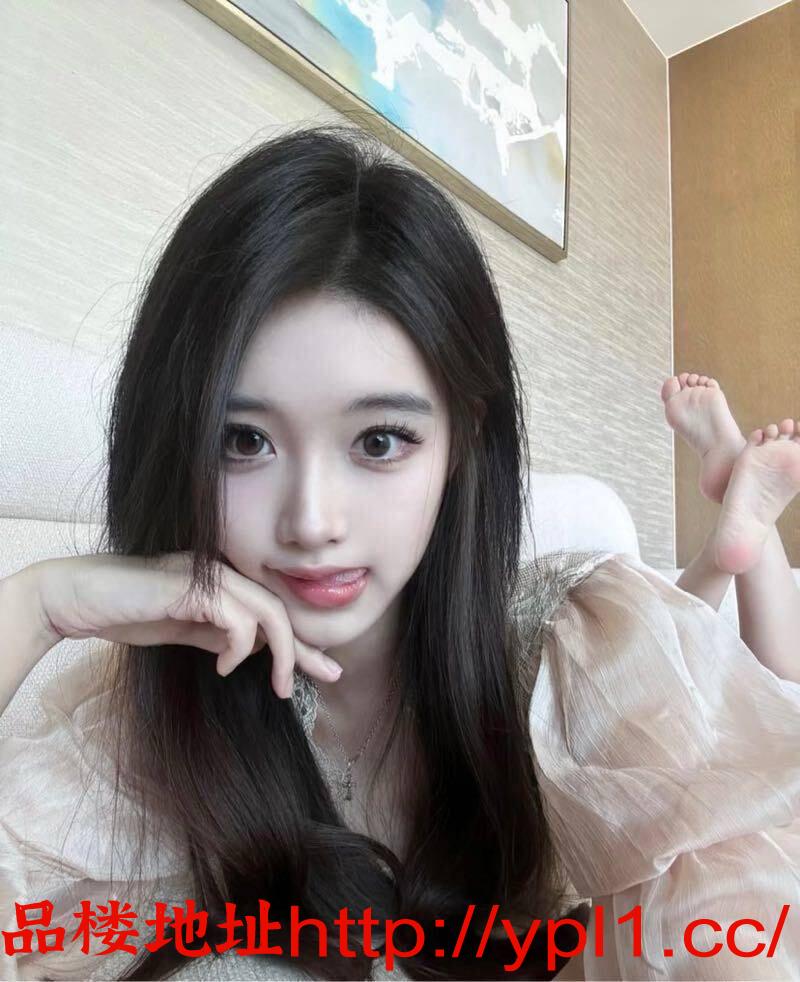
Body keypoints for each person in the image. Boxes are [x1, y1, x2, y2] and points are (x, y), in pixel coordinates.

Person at [0, 123, 799, 982]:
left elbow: (737, 900)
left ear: (461, 443)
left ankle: (745, 545)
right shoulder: (145, 717)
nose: (312, 521)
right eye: (243, 441)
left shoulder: (559, 651)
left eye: (379, 441)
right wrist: (41, 603)